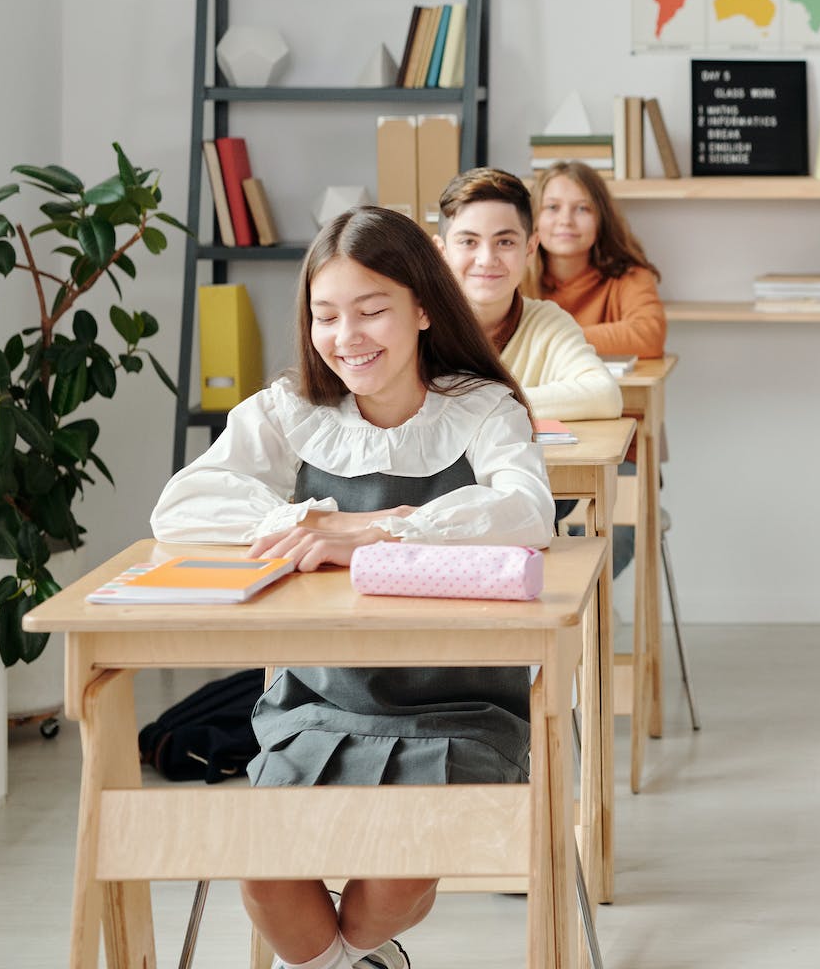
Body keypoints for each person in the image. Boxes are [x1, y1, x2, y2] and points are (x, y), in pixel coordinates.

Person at [150, 206, 560, 969]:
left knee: (396, 877)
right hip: (318, 701)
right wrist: (308, 517)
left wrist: (380, 530)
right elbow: (181, 505)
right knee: (268, 881)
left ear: (424, 308)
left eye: (372, 311)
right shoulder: (294, 411)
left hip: (458, 707)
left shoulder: (480, 410)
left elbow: (529, 511)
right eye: (326, 316)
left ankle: (359, 955)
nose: (348, 338)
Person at [435, 167, 621, 423]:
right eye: (469, 242)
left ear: (530, 249)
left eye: (505, 242)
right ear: (441, 252)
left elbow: (604, 396)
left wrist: (474, 402)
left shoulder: (547, 321)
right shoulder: (417, 324)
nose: (487, 260)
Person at [527, 161, 666, 358]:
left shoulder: (630, 277)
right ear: (534, 218)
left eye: (582, 208)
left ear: (601, 219)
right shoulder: (514, 278)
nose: (566, 220)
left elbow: (650, 337)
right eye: (552, 207)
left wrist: (553, 338)